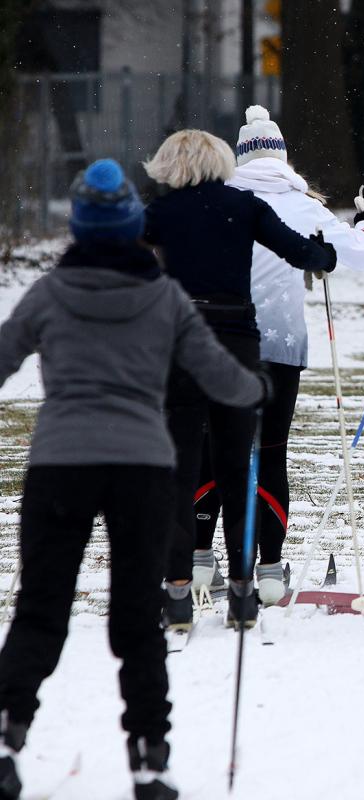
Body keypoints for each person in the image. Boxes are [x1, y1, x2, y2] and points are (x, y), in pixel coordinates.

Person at [0, 160, 269, 800]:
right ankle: (150, 759)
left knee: (41, 609)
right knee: (136, 620)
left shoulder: (50, 293)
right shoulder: (164, 296)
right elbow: (220, 375)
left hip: (60, 464)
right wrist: (256, 388)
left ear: (79, 228)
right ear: (133, 229)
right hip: (141, 468)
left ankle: (7, 739)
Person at [188, 106, 364, 607]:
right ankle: (270, 569)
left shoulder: (219, 200)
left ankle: (199, 559)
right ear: (282, 155)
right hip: (280, 344)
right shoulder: (305, 206)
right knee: (270, 452)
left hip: (219, 343)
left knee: (212, 446)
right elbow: (362, 255)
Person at [142, 129, 337, 631]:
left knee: (181, 466)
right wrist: (325, 256)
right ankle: (243, 591)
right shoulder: (243, 205)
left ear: (170, 164)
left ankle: (178, 591)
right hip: (237, 346)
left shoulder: (160, 213)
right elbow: (303, 254)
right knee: (236, 466)